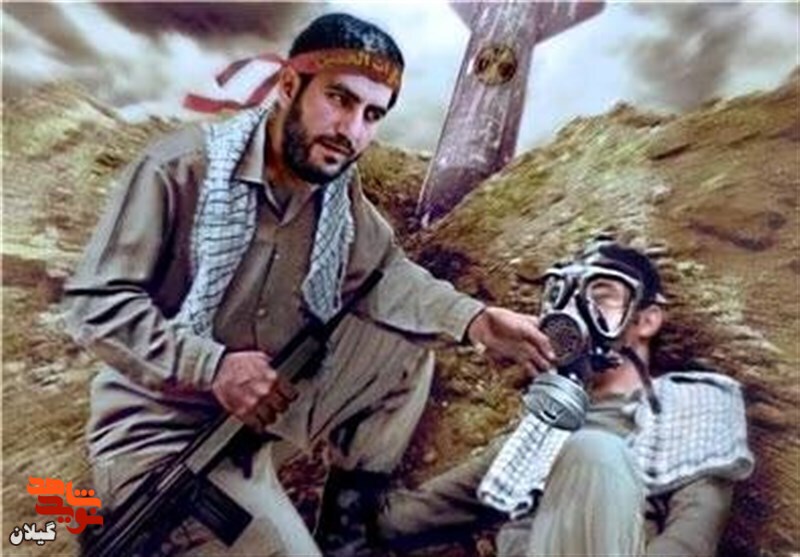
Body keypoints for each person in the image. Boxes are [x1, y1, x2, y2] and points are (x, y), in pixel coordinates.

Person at [63, 13, 554, 557]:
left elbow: (384, 274)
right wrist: (211, 366)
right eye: (340, 99)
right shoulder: (178, 171)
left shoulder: (334, 187)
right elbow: (94, 306)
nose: (352, 131)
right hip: (166, 438)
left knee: (404, 346)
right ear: (289, 86)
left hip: (267, 405)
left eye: (372, 114)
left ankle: (348, 533)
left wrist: (478, 321)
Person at [375, 239, 755, 556]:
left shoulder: (694, 408)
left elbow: (691, 539)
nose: (575, 312)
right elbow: (410, 518)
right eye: (564, 297)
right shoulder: (545, 424)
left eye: (601, 297)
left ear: (646, 319)